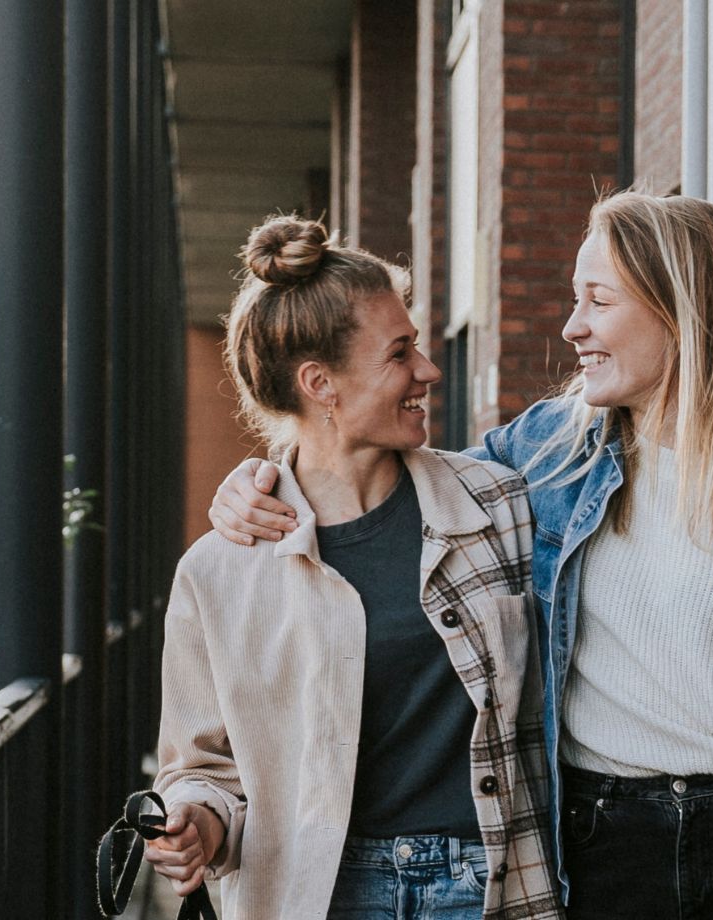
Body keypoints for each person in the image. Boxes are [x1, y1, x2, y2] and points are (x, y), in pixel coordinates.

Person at [209, 191, 713, 920]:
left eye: (597, 302)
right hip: (588, 851)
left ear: (681, 312)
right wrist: (269, 473)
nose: (572, 328)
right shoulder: (548, 454)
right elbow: (388, 486)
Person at [148, 215, 561, 920]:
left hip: (490, 885)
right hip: (320, 893)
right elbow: (200, 767)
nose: (428, 371)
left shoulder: (499, 506)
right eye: (400, 354)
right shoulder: (220, 570)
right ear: (321, 383)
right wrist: (195, 826)